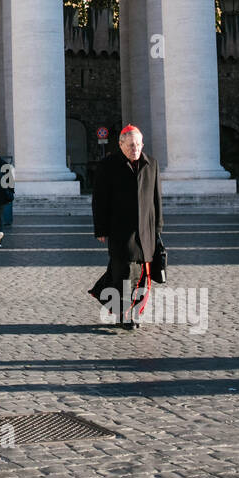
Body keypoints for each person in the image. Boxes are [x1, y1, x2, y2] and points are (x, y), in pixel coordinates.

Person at [90, 124, 162, 330]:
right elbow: (100, 200)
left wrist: (158, 227)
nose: (135, 149)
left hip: (145, 230)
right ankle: (123, 314)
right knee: (123, 272)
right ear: (121, 145)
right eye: (131, 145)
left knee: (143, 275)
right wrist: (101, 229)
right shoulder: (107, 166)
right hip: (120, 230)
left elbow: (157, 199)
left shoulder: (152, 164)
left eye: (138, 144)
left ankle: (136, 313)